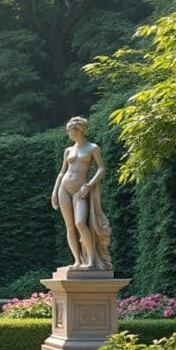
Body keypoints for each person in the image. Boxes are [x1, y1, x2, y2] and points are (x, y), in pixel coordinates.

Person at [51, 116, 112, 270]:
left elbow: (101, 168)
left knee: (80, 223)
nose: (68, 134)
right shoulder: (68, 150)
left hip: (81, 189)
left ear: (79, 130)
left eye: (70, 130)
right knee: (69, 226)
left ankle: (92, 261)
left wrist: (90, 185)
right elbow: (61, 172)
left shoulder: (93, 148)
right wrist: (54, 191)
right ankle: (77, 261)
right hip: (64, 189)